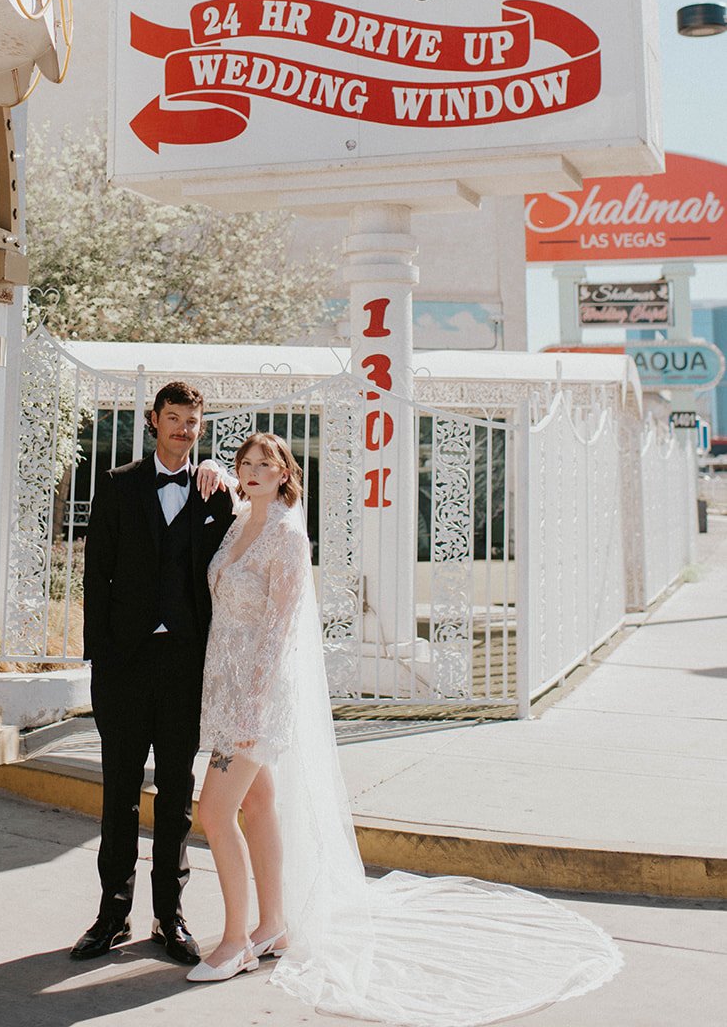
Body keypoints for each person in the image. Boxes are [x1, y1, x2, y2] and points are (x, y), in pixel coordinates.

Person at [187, 431, 623, 1026]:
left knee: (214, 814)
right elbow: (212, 478)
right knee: (258, 805)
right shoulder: (240, 522)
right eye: (247, 463)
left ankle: (235, 941)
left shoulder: (287, 536)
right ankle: (273, 924)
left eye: (268, 463)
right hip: (225, 687)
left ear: (287, 473)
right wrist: (212, 463)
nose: (256, 470)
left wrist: (251, 713)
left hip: (255, 699)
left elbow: (281, 631)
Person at [70, 380, 236, 964]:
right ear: (153, 421)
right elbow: (96, 578)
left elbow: (264, 508)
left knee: (176, 795)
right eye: (174, 419)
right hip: (125, 664)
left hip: (185, 666)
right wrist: (101, 658)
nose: (183, 430)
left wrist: (226, 475)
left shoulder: (216, 492)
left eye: (193, 422)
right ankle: (112, 916)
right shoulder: (118, 486)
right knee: (118, 792)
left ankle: (171, 916)